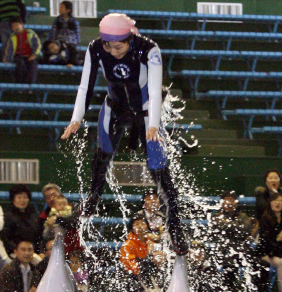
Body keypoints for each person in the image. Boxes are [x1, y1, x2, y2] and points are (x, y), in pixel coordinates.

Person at [61, 12, 188, 255]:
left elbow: (153, 87)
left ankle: (175, 228)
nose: (113, 51)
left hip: (146, 114)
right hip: (114, 108)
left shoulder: (148, 49)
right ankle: (91, 202)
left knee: (158, 169)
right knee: (103, 154)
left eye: (118, 46)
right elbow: (85, 84)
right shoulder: (96, 49)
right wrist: (76, 118)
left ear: (130, 38)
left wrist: (153, 124)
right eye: (108, 45)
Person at [119, 214, 166, 292]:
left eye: (142, 223)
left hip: (149, 276)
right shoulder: (128, 245)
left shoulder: (150, 242)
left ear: (147, 227)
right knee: (145, 264)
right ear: (132, 228)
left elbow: (160, 261)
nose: (140, 226)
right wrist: (149, 256)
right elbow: (133, 268)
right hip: (133, 278)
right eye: (136, 224)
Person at [1, 184, 43, 262]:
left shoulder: (33, 216)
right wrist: (19, 250)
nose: (22, 200)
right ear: (13, 199)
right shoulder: (7, 216)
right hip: (14, 253)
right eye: (19, 197)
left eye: (25, 197)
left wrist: (39, 252)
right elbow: (5, 238)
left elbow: (39, 236)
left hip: (32, 252)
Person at [257, 192, 282, 292]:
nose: (277, 203)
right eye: (275, 201)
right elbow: (267, 243)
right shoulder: (265, 219)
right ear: (270, 203)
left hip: (281, 254)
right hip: (267, 254)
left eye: (280, 201)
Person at [4, 17, 41, 84]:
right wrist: (7, 59)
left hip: (29, 56)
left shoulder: (30, 33)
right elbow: (9, 49)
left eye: (16, 25)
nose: (15, 27)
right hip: (18, 56)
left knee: (33, 66)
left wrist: (34, 55)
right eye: (13, 26)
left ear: (22, 24)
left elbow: (37, 44)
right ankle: (19, 82)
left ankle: (29, 84)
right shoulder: (12, 37)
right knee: (20, 64)